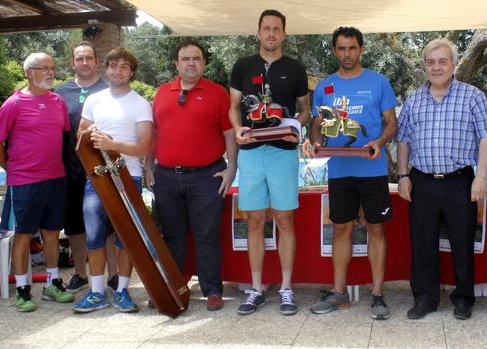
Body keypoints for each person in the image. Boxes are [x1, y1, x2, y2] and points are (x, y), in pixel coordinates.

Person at [396, 38, 487, 321]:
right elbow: (403, 141)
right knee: (422, 243)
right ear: (424, 67)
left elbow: (486, 137)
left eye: (442, 61)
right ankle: (425, 299)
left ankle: (463, 298)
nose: (436, 67)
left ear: (454, 65)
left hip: (460, 182)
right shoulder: (414, 99)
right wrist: (403, 176)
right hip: (422, 182)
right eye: (431, 62)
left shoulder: (473, 96)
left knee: (462, 242)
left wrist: (480, 177)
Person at [307, 26, 398, 320]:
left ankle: (379, 295)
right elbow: (317, 125)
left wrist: (379, 142)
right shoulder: (324, 87)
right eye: (342, 48)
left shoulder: (378, 82)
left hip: (372, 169)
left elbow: (391, 124)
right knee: (342, 228)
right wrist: (316, 143)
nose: (347, 54)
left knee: (376, 229)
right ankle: (339, 294)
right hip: (340, 171)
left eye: (352, 48)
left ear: (361, 49)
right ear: (335, 51)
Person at [229, 9, 310, 315]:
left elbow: (305, 109)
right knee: (254, 221)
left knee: (285, 220)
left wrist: (295, 128)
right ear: (258, 32)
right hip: (251, 153)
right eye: (267, 29)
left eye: (277, 29)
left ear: (284, 34)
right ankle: (256, 288)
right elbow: (232, 108)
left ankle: (287, 288)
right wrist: (237, 128)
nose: (272, 34)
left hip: (282, 152)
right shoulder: (242, 66)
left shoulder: (295, 67)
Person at [146, 38, 237, 311]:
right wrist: (148, 166)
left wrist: (232, 168)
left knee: (207, 235)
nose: (191, 63)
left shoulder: (217, 93)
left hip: (207, 176)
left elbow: (229, 132)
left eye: (196, 58)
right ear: (176, 63)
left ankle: (212, 290)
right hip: (166, 176)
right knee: (172, 236)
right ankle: (174, 287)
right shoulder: (161, 93)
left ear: (204, 63)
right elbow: (154, 133)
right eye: (185, 58)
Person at [0, 52, 75, 312]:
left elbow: (60, 140)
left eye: (52, 68)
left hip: (55, 179)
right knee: (24, 236)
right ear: (29, 73)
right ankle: (23, 289)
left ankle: (52, 283)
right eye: (43, 68)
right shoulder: (13, 103)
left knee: (51, 233)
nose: (50, 72)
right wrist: (13, 169)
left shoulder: (58, 102)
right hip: (25, 182)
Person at [71, 48, 153, 313]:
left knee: (126, 238)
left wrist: (111, 144)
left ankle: (122, 291)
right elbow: (80, 138)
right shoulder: (94, 100)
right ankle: (96, 293)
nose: (118, 71)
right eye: (113, 66)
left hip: (129, 177)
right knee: (94, 236)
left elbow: (143, 147)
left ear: (132, 72)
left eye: (124, 67)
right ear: (106, 68)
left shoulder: (141, 103)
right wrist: (89, 132)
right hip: (96, 177)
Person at [55, 41, 120, 294]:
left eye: (88, 58)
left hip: (104, 169)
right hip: (71, 171)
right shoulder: (61, 93)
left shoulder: (110, 89)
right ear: (73, 63)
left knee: (111, 224)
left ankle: (113, 274)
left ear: (96, 61)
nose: (84, 63)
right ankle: (81, 274)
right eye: (79, 59)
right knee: (75, 225)